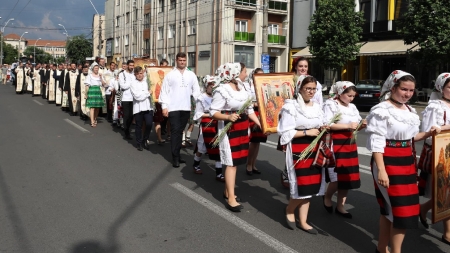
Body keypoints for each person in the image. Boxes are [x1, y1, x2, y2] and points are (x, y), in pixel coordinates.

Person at [366, 70, 438, 253]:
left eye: (411, 90)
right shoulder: (382, 110)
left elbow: (412, 138)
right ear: (393, 87)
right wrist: (381, 170)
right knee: (400, 209)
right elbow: (377, 142)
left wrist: (429, 133)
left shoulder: (410, 111)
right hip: (387, 161)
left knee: (393, 209)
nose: (407, 94)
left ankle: (382, 247)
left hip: (407, 162)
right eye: (404, 89)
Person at [278, 75, 327, 234]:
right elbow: (285, 132)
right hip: (299, 148)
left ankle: (304, 220)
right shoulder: (290, 107)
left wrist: (323, 128)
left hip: (314, 148)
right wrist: (306, 131)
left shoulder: (318, 106)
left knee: (311, 185)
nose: (311, 92)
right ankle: (290, 209)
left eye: (314, 89)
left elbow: (320, 125)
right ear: (300, 88)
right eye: (308, 89)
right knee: (301, 184)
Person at [209, 62, 261, 212]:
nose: (246, 74)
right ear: (234, 74)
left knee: (236, 161)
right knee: (231, 162)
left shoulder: (243, 87)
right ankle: (231, 197)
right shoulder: (222, 90)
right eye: (244, 71)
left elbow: (249, 109)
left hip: (243, 126)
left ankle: (227, 191)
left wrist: (261, 124)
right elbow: (213, 112)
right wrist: (228, 117)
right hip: (229, 128)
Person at [322, 81, 366, 219]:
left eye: (353, 96)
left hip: (350, 143)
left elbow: (356, 125)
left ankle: (341, 205)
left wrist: (362, 125)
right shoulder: (331, 104)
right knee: (336, 177)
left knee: (347, 176)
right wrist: (347, 125)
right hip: (336, 142)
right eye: (349, 95)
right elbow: (327, 124)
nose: (351, 99)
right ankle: (327, 197)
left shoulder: (352, 107)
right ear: (340, 93)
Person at [418, 73, 450, 246]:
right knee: (445, 192)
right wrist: (444, 128)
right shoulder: (435, 107)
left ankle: (423, 209)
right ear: (440, 88)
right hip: (442, 152)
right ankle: (447, 233)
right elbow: (428, 133)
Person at [159, 52, 201, 168]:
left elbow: (196, 91)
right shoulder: (170, 75)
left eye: (184, 60)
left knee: (180, 131)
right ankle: (175, 157)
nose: (182, 62)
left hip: (186, 107)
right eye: (180, 60)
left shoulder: (191, 75)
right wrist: (164, 107)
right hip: (173, 108)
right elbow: (164, 91)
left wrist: (201, 104)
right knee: (176, 131)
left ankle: (177, 154)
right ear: (176, 61)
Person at [192, 75, 224, 181]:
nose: (212, 87)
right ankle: (196, 164)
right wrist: (211, 115)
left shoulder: (218, 96)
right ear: (206, 86)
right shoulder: (201, 98)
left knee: (218, 147)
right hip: (206, 124)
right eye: (210, 85)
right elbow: (198, 114)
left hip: (217, 123)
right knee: (202, 147)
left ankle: (219, 173)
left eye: (214, 85)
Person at [244, 68, 266, 175]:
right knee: (253, 140)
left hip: (262, 113)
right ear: (253, 75)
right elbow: (246, 102)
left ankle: (253, 164)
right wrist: (255, 104)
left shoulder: (264, 86)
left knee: (258, 142)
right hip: (254, 113)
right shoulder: (249, 86)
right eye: (258, 75)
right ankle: (248, 164)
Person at [130, 66, 154, 151]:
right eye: (138, 74)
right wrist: (147, 93)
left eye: (141, 73)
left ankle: (145, 140)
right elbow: (137, 96)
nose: (140, 75)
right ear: (135, 75)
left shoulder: (147, 82)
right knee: (138, 126)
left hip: (148, 107)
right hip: (138, 108)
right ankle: (139, 143)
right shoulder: (133, 84)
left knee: (149, 124)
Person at [119, 60, 136, 139]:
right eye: (130, 65)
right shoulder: (122, 74)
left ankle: (127, 128)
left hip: (133, 98)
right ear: (127, 66)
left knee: (132, 116)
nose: (132, 67)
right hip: (125, 98)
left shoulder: (134, 74)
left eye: (133, 65)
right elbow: (123, 86)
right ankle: (126, 132)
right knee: (127, 115)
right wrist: (131, 83)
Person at [153, 69, 166, 145]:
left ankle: (166, 134)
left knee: (166, 121)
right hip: (157, 102)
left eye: (163, 75)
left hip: (165, 102)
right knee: (157, 120)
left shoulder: (166, 82)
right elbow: (156, 92)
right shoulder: (157, 83)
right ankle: (159, 138)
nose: (162, 76)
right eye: (160, 75)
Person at [159, 59, 170, 139]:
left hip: (166, 96)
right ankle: (161, 128)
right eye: (164, 65)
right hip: (158, 96)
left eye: (167, 65)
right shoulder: (157, 71)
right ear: (161, 65)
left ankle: (163, 128)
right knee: (160, 114)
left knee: (166, 115)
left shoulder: (169, 73)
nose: (165, 67)